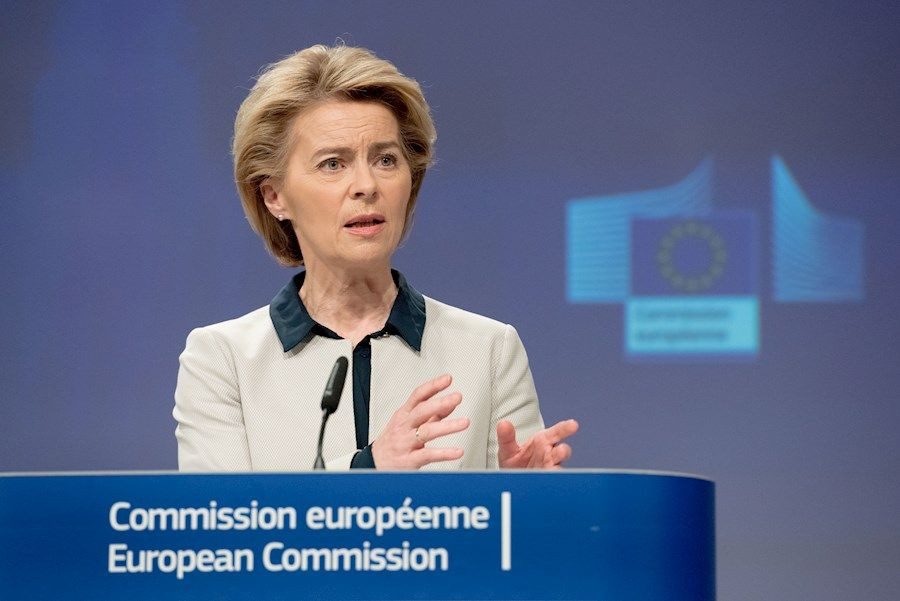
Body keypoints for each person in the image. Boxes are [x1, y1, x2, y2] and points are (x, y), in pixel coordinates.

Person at [174, 44, 578, 471]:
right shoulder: (222, 360)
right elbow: (222, 513)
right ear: (274, 196)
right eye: (333, 164)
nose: (367, 185)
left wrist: (523, 498)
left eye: (386, 160)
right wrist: (368, 470)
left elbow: (522, 511)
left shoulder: (489, 350)